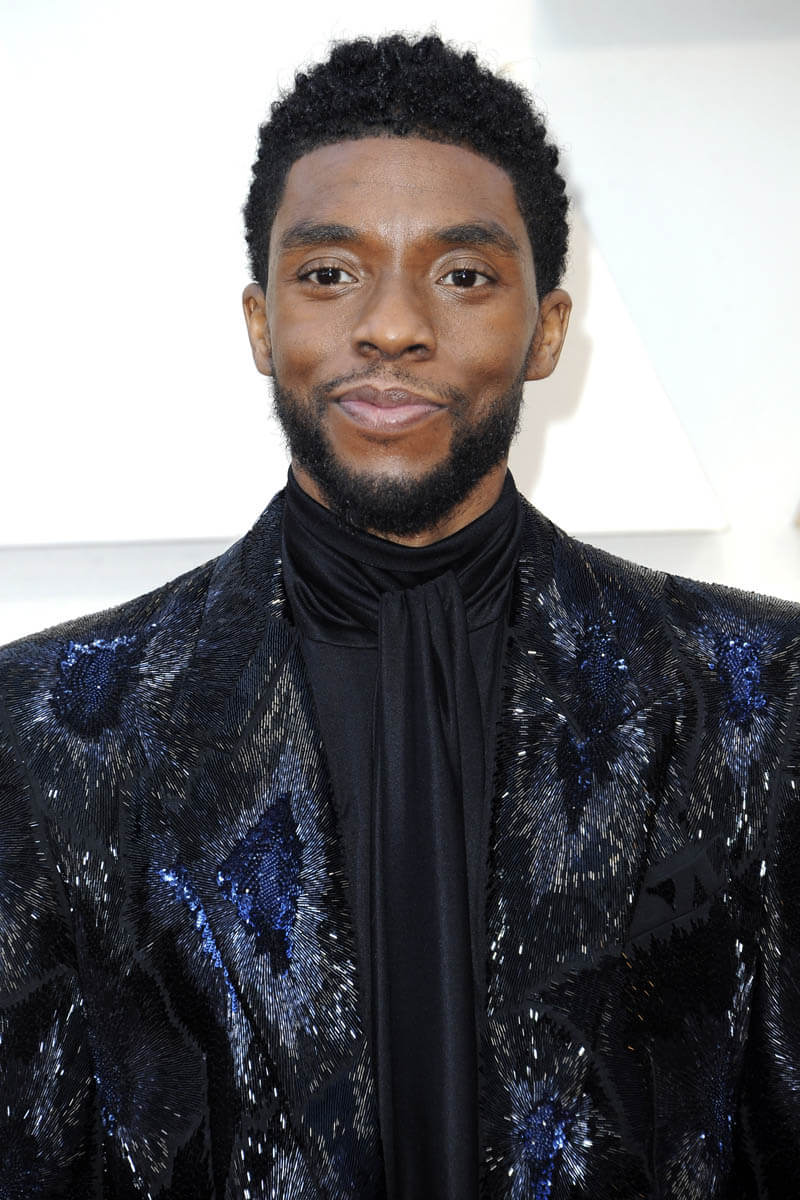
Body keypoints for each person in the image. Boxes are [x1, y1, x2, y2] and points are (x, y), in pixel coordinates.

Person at [0, 30, 797, 1200]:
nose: (389, 325)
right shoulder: (47, 726)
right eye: (329, 273)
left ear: (546, 330)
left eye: (462, 275)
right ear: (260, 321)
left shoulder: (757, 695)